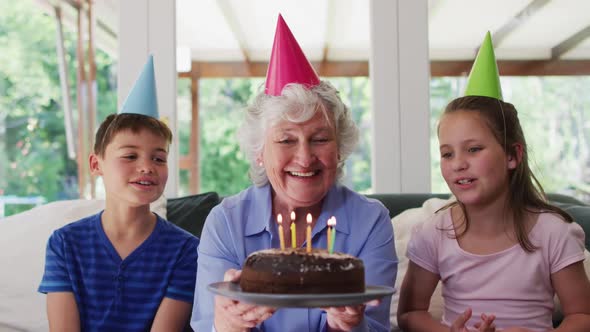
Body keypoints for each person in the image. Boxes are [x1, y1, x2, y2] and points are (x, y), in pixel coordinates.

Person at [191, 14, 397, 332]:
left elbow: (375, 325)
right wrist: (229, 325)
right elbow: (207, 325)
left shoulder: (370, 222)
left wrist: (349, 325)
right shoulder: (226, 222)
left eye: (320, 139)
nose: (304, 157)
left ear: (340, 148)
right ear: (259, 152)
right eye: (286, 140)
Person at [397, 32, 590, 332]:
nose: (459, 162)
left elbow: (583, 316)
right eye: (447, 154)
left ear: (513, 155)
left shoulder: (554, 233)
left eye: (473, 149)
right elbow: (410, 313)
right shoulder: (433, 233)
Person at [38, 56, 199, 331]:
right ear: (95, 164)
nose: (147, 167)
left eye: (158, 159)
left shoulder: (187, 250)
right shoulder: (64, 244)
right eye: (130, 156)